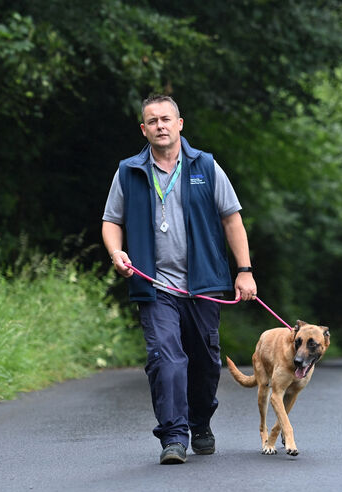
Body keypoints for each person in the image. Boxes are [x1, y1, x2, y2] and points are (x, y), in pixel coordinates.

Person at [101, 94, 257, 465]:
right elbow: (111, 221)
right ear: (144, 129)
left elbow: (232, 218)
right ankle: (173, 436)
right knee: (166, 358)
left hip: (204, 285)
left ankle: (200, 423)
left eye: (166, 119)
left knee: (204, 363)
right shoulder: (128, 171)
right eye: (152, 121)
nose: (160, 126)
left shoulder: (206, 166)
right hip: (155, 286)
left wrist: (245, 271)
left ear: (179, 124)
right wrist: (116, 253)